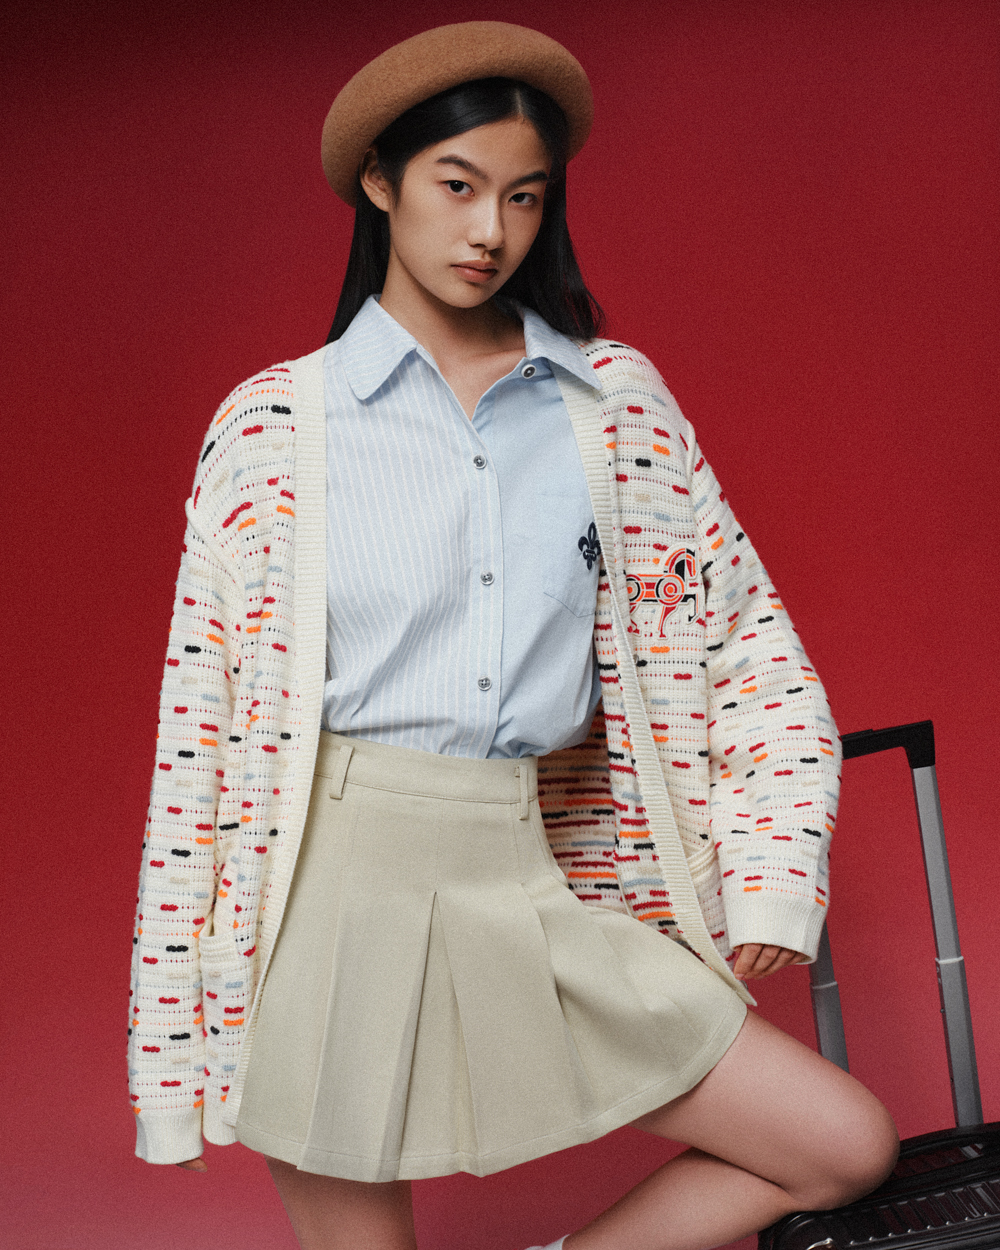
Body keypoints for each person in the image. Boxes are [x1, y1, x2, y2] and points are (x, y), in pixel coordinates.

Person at [127, 21, 899, 1250]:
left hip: (528, 871)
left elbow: (740, 638)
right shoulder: (277, 428)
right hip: (331, 896)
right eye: (457, 185)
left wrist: (770, 861)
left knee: (841, 1143)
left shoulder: (613, 407)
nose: (490, 229)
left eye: (524, 196)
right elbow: (199, 736)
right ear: (380, 183)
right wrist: (171, 1028)